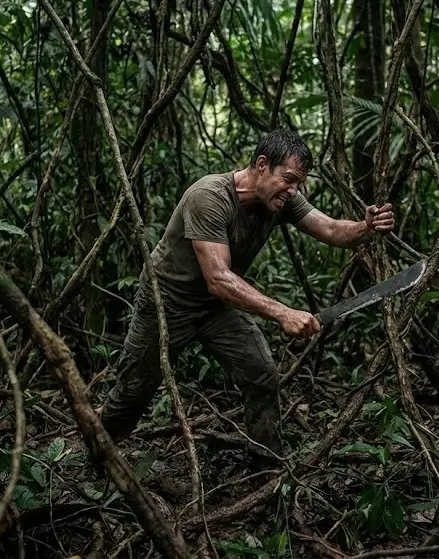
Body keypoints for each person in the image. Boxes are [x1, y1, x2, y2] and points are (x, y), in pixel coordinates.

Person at [99, 128, 395, 460]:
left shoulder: (281, 199)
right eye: (289, 179)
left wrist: (366, 227)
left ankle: (266, 466)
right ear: (262, 165)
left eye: (299, 183)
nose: (293, 190)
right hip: (167, 303)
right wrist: (283, 312)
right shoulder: (209, 197)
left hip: (215, 308)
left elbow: (329, 229)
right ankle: (96, 459)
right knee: (133, 392)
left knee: (261, 373)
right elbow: (219, 278)